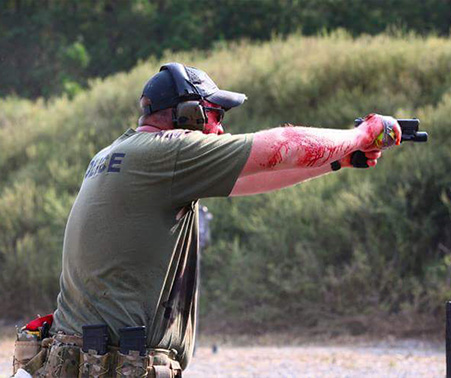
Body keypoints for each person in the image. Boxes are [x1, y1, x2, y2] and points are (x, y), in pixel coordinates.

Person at [12, 62, 401, 377]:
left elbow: (251, 180)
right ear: (189, 115)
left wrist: (336, 160)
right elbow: (284, 147)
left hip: (80, 361)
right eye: (216, 114)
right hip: (118, 364)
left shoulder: (118, 153)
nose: (221, 128)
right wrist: (365, 133)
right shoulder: (169, 152)